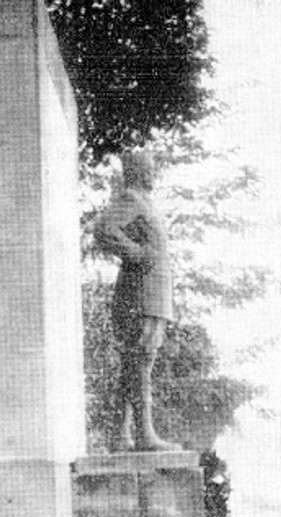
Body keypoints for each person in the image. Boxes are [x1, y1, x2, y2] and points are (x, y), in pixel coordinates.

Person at [94, 149, 180, 452]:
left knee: (137, 363)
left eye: (152, 168)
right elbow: (104, 230)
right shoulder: (131, 198)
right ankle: (144, 434)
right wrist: (136, 252)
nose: (152, 173)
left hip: (152, 295)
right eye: (148, 169)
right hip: (139, 293)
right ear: (135, 171)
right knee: (139, 362)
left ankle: (122, 435)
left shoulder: (145, 202)